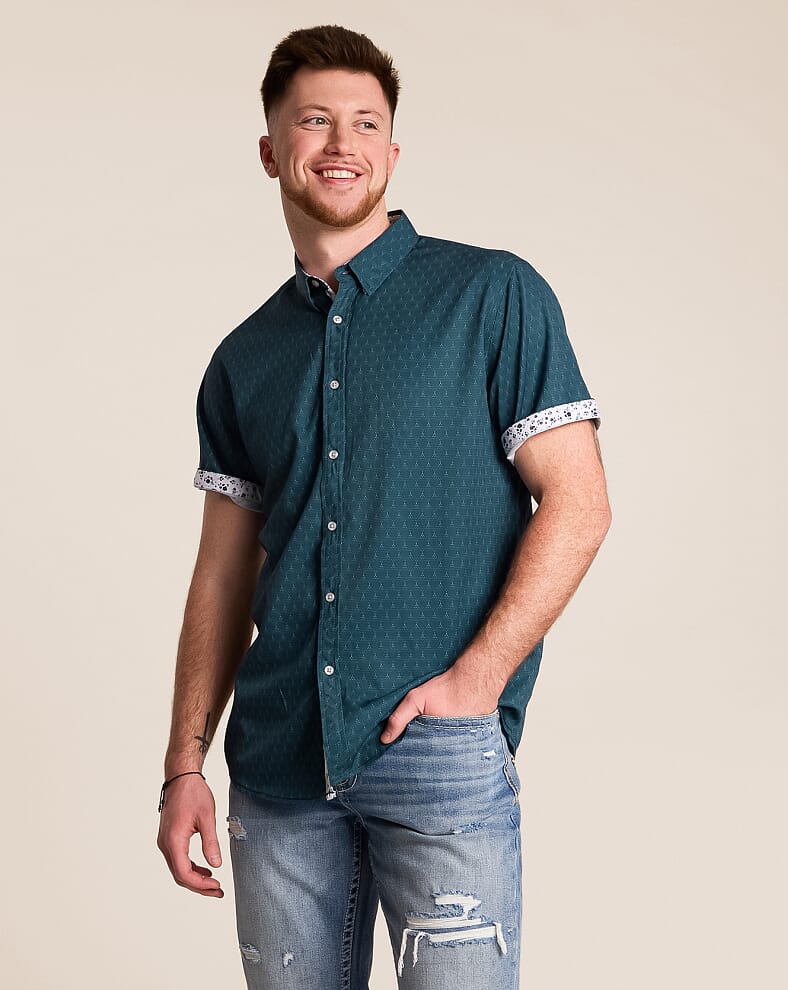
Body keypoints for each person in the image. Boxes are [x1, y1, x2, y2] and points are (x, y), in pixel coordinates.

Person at [157, 23, 611, 990]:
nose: (341, 144)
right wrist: (184, 764)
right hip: (277, 764)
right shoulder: (243, 357)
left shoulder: (490, 294)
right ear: (271, 150)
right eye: (314, 120)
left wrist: (478, 681)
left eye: (365, 123)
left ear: (393, 153)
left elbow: (577, 503)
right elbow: (223, 575)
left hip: (437, 746)